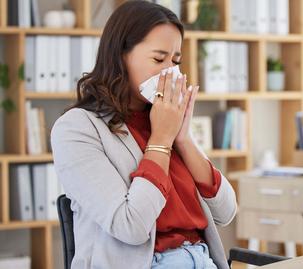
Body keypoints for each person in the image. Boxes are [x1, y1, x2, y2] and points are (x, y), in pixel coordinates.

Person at [50, 2, 236, 268]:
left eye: (175, 61)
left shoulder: (164, 120)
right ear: (120, 56)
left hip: (202, 258)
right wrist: (161, 140)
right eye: (159, 59)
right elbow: (131, 226)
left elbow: (226, 212)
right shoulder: (77, 129)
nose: (169, 71)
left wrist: (182, 139)